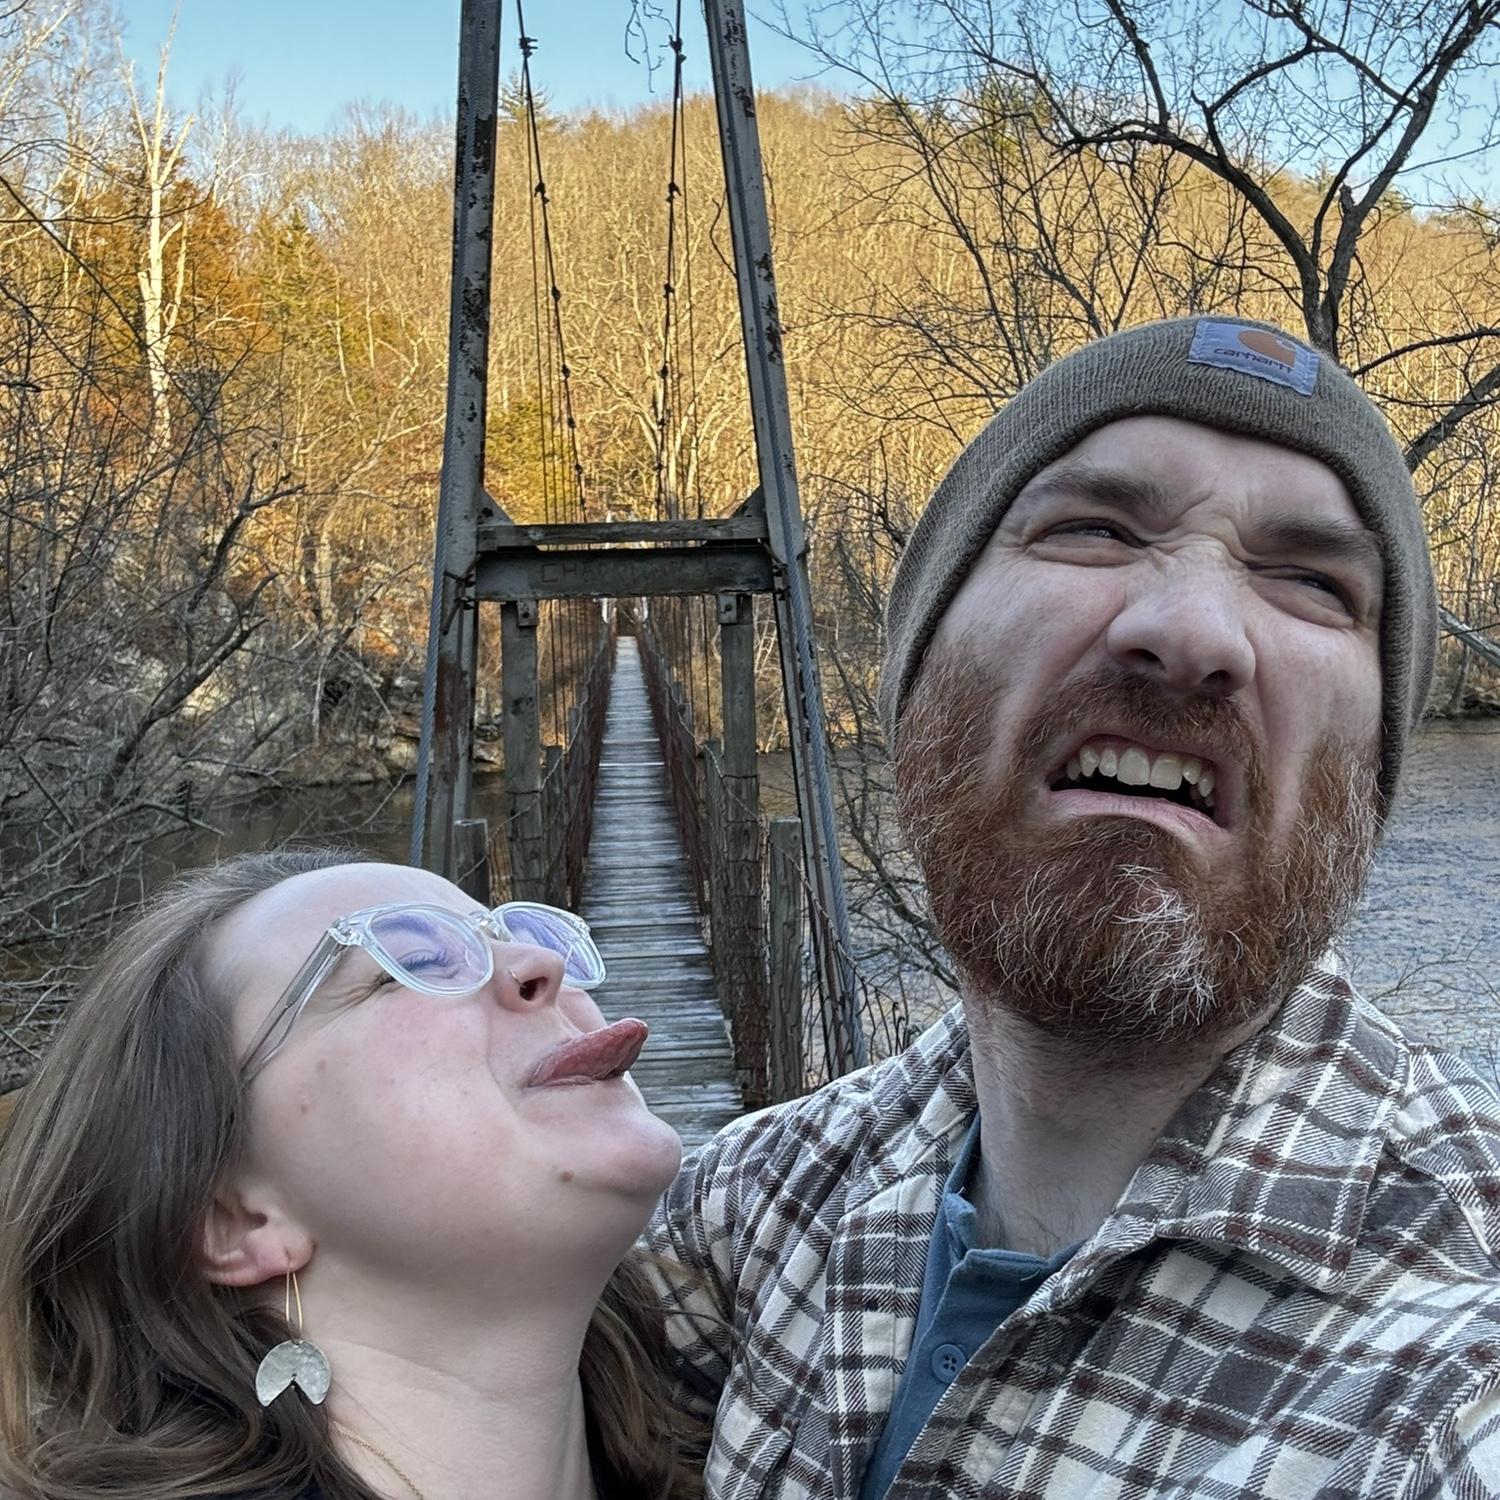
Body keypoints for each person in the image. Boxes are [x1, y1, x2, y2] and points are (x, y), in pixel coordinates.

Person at [648, 315, 1500, 1497]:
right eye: (1094, 527)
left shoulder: (1457, 1360)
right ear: (917, 676)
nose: (1193, 631)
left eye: (1311, 582)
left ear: (1372, 776)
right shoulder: (757, 1201)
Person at [0, 848, 701, 1499]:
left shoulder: (765, 1431)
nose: (539, 961)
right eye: (414, 962)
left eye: (512, 934)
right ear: (235, 1218)